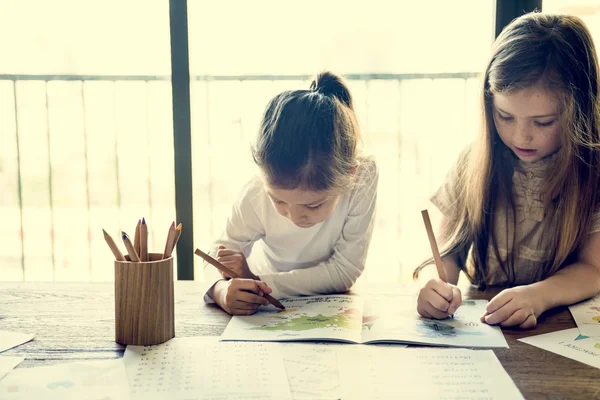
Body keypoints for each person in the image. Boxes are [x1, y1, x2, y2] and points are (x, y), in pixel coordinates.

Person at [415, 13, 600, 328]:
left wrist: (537, 296)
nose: (520, 136)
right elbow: (446, 255)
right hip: (490, 331)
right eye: (505, 116)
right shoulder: (473, 162)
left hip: (561, 330)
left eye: (542, 122)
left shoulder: (592, 171)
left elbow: (593, 268)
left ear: (578, 110)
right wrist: (435, 285)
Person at [203, 71, 378, 316]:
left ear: (350, 173)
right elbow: (214, 256)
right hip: (264, 310)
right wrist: (220, 291)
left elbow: (344, 271)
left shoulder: (363, 177)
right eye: (278, 201)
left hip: (323, 306)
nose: (295, 216)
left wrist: (257, 280)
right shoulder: (256, 192)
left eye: (313, 205)